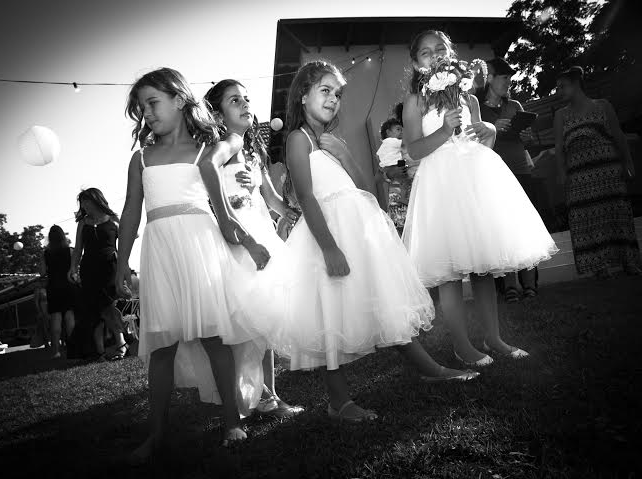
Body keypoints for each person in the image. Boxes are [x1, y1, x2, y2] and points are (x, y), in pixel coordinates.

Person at [249, 60, 476, 424]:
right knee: (330, 316)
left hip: (357, 232)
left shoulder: (331, 142)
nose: (333, 99)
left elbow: (363, 188)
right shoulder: (298, 139)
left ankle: (430, 368)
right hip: (328, 237)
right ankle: (339, 401)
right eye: (325, 91)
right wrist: (329, 248)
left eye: (337, 94)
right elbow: (306, 197)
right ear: (303, 96)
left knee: (381, 301)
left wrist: (344, 154)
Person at [116, 67, 270, 460]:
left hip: (200, 247)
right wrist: (121, 263)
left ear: (180, 100)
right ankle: (156, 434)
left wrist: (251, 243)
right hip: (160, 252)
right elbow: (131, 212)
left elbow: (224, 215)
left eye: (153, 102)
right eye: (142, 107)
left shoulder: (206, 153)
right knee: (161, 347)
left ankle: (232, 421)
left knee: (214, 338)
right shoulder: (141, 159)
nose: (147, 112)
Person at [402, 30, 557, 367]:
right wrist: (444, 130)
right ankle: (462, 345)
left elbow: (479, 144)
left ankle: (494, 338)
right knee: (448, 272)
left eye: (440, 49)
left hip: (473, 184)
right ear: (416, 63)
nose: (434, 56)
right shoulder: (416, 102)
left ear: (451, 54)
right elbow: (412, 150)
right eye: (425, 53)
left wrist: (492, 131)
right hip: (440, 186)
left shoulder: (469, 99)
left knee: (483, 267)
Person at [204, 79, 303, 419]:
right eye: (235, 100)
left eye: (246, 98)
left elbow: (270, 196)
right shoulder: (223, 145)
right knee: (247, 321)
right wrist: (229, 190)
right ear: (218, 116)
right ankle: (249, 396)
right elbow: (207, 175)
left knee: (265, 318)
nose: (245, 104)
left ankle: (269, 395)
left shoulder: (251, 151)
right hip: (240, 238)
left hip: (261, 230)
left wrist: (289, 212)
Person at [553, 66, 641, 278]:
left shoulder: (602, 106)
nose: (559, 91)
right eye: (558, 88)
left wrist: (628, 162)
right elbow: (559, 147)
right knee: (588, 218)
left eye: (563, 86)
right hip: (579, 176)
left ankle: (628, 261)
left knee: (617, 213)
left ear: (576, 84)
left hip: (608, 170)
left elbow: (618, 135)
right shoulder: (561, 115)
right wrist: (562, 173)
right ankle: (599, 266)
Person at [476, 57, 540, 302]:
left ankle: (530, 284)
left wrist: (527, 135)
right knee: (502, 230)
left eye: (510, 78)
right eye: (504, 77)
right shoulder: (476, 108)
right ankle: (509, 286)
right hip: (491, 176)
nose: (508, 83)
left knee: (525, 227)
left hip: (521, 170)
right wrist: (492, 126)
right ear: (489, 78)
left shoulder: (515, 105)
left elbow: (528, 140)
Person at [69, 188, 128, 360]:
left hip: (110, 268)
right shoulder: (83, 223)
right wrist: (72, 268)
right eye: (82, 203)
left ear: (97, 200)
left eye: (87, 202)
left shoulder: (113, 219)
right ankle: (100, 352)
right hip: (88, 269)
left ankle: (121, 343)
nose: (84, 206)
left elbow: (132, 236)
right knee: (93, 309)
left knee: (107, 305)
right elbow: (78, 249)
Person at [41, 225, 75, 358]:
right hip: (68, 286)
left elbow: (42, 272)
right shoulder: (70, 251)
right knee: (70, 317)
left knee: (56, 319)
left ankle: (56, 351)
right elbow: (75, 268)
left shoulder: (46, 253)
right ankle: (73, 349)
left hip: (53, 287)